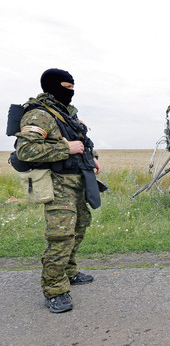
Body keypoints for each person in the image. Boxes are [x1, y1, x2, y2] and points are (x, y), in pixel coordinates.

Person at [15, 68, 102, 312]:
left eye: (73, 88)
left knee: (80, 226)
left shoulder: (65, 114)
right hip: (57, 183)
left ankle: (69, 271)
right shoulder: (39, 115)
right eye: (67, 87)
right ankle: (55, 289)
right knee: (61, 236)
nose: (71, 93)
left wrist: (91, 156)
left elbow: (79, 141)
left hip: (78, 181)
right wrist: (67, 150)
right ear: (52, 87)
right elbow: (26, 151)